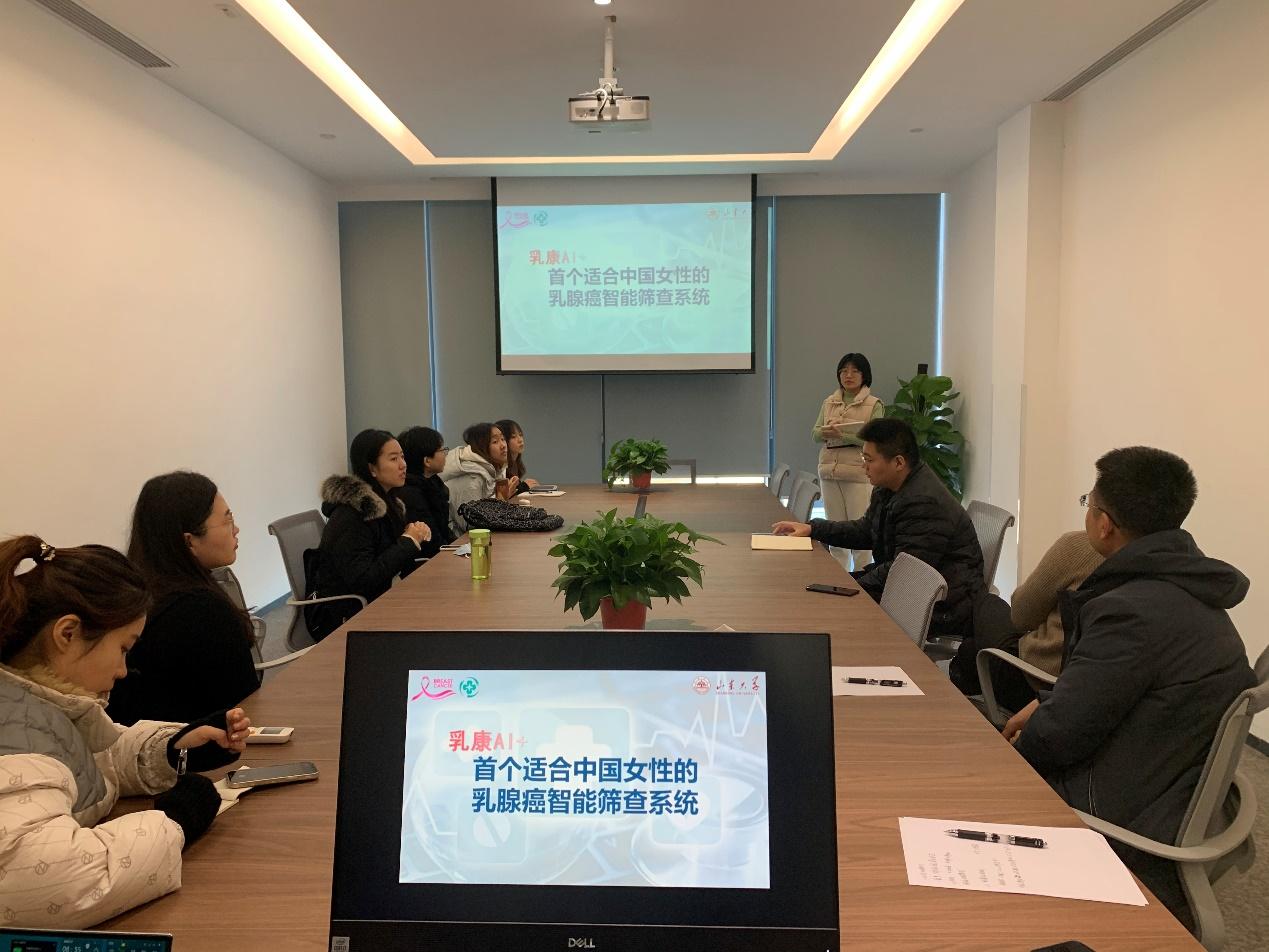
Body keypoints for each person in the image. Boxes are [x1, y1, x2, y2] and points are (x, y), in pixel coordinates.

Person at [1003, 447, 1255, 928]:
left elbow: (1059, 737)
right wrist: (1048, 704)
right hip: (1163, 778)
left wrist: (1007, 758)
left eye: (1089, 503)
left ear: (1104, 525)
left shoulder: (1130, 611)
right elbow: (1108, 694)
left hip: (1122, 810)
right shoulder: (1191, 587)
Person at [0, 535, 250, 928]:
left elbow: (98, 756)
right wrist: (174, 822)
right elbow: (48, 882)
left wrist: (174, 749)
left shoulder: (42, 704)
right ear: (67, 634)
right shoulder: (15, 733)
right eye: (122, 649)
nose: (122, 670)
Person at [772, 417, 984, 640]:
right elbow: (866, 531)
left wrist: (850, 586)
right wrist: (813, 529)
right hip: (908, 587)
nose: (863, 466)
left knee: (830, 606)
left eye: (869, 460)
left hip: (942, 604)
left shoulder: (923, 501)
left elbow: (906, 572)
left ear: (898, 462)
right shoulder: (889, 486)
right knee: (822, 592)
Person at [107, 472, 261, 726]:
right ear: (189, 542)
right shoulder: (201, 610)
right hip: (205, 744)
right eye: (227, 520)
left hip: (153, 743)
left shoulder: (135, 593)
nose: (236, 529)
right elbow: (244, 707)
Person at [306, 429, 431, 640]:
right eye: (393, 459)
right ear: (372, 468)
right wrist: (408, 541)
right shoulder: (353, 515)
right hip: (346, 615)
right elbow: (363, 580)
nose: (403, 464)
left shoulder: (390, 504)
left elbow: (389, 557)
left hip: (381, 599)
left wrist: (415, 535)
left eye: (402, 457)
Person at [811, 353, 884, 568]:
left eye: (854, 371)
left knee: (861, 537)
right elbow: (815, 434)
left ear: (864, 375)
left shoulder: (874, 404)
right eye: (843, 371)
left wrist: (844, 435)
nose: (848, 375)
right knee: (835, 537)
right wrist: (826, 432)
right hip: (829, 472)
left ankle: (863, 581)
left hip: (857, 474)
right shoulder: (829, 402)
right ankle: (839, 581)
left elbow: (877, 440)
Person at [440, 422, 517, 532]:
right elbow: (470, 525)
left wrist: (502, 500)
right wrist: (499, 502)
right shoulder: (470, 477)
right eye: (495, 441)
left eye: (503, 439)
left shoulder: (491, 470)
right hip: (461, 539)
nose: (503, 445)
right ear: (481, 447)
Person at [397, 425, 457, 558]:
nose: (445, 454)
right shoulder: (411, 493)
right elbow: (431, 540)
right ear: (427, 461)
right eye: (442, 450)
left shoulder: (434, 483)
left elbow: (443, 529)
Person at [495, 418, 540, 494]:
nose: (520, 440)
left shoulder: (516, 464)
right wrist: (524, 486)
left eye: (520, 435)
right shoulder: (500, 467)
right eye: (513, 437)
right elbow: (501, 495)